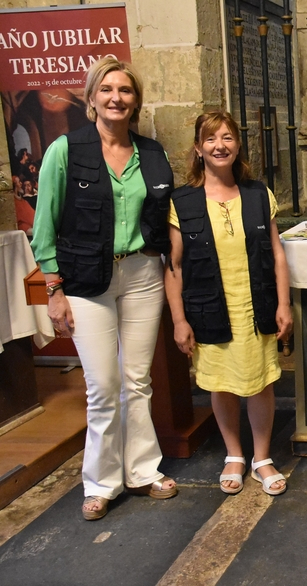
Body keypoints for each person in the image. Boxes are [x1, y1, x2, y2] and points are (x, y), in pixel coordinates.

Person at [31, 57, 176, 521]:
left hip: (142, 275)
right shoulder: (65, 150)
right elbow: (44, 225)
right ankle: (100, 482)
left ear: (136, 100)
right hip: (84, 279)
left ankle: (142, 470)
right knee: (102, 385)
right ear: (92, 97)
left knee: (137, 380)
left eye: (125, 90)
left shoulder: (151, 153)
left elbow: (164, 217)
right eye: (107, 89)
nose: (117, 98)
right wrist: (54, 289)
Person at [165, 111, 292, 496]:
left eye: (227, 137)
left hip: (256, 306)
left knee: (260, 383)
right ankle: (234, 454)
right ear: (198, 148)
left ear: (237, 145)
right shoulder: (182, 201)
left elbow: (277, 254)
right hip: (208, 307)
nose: (219, 145)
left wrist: (284, 304)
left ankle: (262, 458)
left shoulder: (258, 194)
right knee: (221, 385)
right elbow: (174, 266)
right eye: (210, 139)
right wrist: (179, 321)